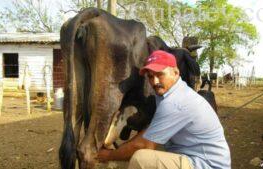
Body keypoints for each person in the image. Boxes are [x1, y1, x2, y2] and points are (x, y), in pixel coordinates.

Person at [96, 50, 231, 169]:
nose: (154, 81)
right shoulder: (168, 93)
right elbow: (151, 130)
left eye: (160, 74)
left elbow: (144, 144)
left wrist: (107, 155)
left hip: (207, 165)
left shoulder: (176, 102)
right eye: (150, 76)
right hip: (193, 157)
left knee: (141, 159)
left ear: (176, 72)